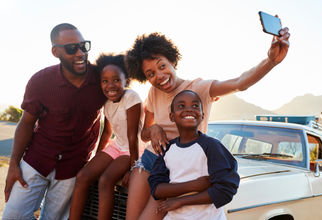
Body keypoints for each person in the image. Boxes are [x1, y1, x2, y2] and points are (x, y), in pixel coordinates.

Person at [124, 26, 290, 219]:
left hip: (178, 169)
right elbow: (144, 133)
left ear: (172, 61)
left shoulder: (199, 88)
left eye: (162, 66)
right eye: (150, 74)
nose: (159, 76)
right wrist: (153, 129)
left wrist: (271, 61)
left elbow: (240, 82)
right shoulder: (154, 92)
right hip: (150, 160)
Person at [2, 23, 106, 220]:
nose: (79, 53)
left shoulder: (101, 79)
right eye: (71, 48)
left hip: (74, 164)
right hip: (37, 159)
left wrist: (97, 160)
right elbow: (26, 123)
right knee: (12, 215)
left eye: (83, 46)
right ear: (55, 51)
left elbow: (111, 120)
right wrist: (14, 164)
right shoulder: (40, 81)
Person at [69, 54, 143, 220]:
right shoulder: (106, 102)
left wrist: (133, 169)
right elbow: (107, 131)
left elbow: (133, 137)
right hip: (117, 145)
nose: (110, 85)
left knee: (105, 180)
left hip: (133, 150)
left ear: (126, 80)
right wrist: (97, 158)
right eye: (105, 81)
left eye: (116, 80)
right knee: (82, 176)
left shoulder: (131, 98)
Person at [148, 90, 240, 220]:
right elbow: (156, 189)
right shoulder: (167, 149)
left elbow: (225, 190)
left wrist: (181, 201)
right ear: (171, 116)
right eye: (181, 106)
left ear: (202, 115)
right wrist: (193, 185)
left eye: (195, 106)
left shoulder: (212, 146)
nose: (189, 109)